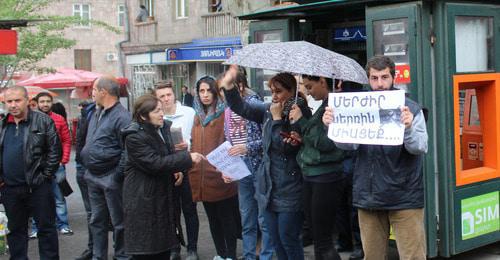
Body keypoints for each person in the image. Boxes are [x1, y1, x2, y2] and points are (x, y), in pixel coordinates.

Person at [322, 55, 428, 260]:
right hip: (368, 196)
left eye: (384, 77)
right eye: (374, 78)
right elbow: (347, 144)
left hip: (404, 197)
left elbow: (420, 147)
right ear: (368, 79)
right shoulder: (358, 105)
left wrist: (407, 129)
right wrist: (332, 127)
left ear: (393, 78)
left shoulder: (411, 108)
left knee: (413, 256)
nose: (379, 84)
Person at [220, 68, 312, 260]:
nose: (274, 96)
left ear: (292, 90)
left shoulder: (300, 113)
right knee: (276, 239)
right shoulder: (270, 110)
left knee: (288, 238)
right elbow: (243, 108)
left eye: (279, 91)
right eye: (272, 91)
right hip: (269, 185)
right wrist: (229, 86)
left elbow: (285, 148)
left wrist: (278, 119)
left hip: (290, 186)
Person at [121, 94, 205, 260]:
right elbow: (155, 163)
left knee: (163, 248)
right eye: (156, 111)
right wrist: (187, 158)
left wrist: (178, 169)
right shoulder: (134, 136)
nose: (161, 114)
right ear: (144, 116)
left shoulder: (164, 127)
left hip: (163, 197)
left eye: (161, 110)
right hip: (144, 200)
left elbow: (168, 156)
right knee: (148, 250)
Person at [0, 86, 62, 259]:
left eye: (17, 100)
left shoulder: (42, 121)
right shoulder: (3, 123)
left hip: (38, 186)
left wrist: (45, 176)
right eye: (9, 101)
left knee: (46, 229)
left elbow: (54, 151)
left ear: (28, 100)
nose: (13, 105)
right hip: (10, 188)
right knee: (15, 231)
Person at [288, 76, 345, 260]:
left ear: (322, 81)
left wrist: (302, 121)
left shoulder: (332, 107)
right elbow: (314, 138)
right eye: (305, 87)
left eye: (310, 87)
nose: (309, 92)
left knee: (323, 238)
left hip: (326, 176)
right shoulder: (322, 105)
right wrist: (301, 137)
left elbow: (327, 143)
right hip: (312, 175)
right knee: (317, 234)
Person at [219, 69, 274, 260]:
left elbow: (268, 139)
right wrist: (228, 168)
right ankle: (250, 255)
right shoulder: (227, 110)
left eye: (225, 89)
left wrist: (247, 148)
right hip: (241, 168)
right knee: (246, 217)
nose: (222, 94)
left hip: (259, 167)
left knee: (263, 218)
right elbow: (230, 142)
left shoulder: (254, 104)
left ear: (240, 86)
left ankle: (266, 255)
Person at [80, 76, 132, 260]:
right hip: (93, 176)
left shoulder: (122, 117)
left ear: (104, 91)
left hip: (111, 177)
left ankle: (122, 256)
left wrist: (117, 176)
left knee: (119, 222)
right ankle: (98, 256)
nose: (91, 93)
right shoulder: (96, 112)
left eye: (94, 89)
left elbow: (128, 151)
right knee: (97, 220)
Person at [189, 76, 240, 260]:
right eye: (201, 91)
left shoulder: (224, 113)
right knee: (212, 219)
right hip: (202, 177)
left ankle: (231, 255)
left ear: (216, 92)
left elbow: (232, 142)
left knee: (227, 218)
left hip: (222, 174)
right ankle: (220, 253)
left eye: (209, 90)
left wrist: (230, 169)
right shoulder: (196, 116)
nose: (205, 95)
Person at [152, 82, 200, 260]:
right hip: (168, 168)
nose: (166, 99)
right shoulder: (157, 116)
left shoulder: (189, 112)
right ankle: (174, 247)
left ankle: (192, 248)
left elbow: (198, 138)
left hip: (188, 166)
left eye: (168, 95)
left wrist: (188, 145)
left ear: (174, 95)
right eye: (162, 96)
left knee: (190, 209)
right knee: (171, 211)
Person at [30, 93, 73, 239]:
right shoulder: (30, 119)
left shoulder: (59, 119)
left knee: (59, 196)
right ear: (37, 103)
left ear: (52, 103)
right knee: (37, 197)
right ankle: (37, 227)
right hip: (37, 166)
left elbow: (67, 140)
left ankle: (63, 225)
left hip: (57, 165)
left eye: (48, 101)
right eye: (42, 101)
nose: (45, 104)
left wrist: (63, 159)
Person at [74, 100, 97, 260]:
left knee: (114, 215)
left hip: (102, 170)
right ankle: (93, 248)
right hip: (83, 167)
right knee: (91, 212)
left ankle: (120, 252)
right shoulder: (86, 113)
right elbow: (80, 140)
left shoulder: (114, 115)